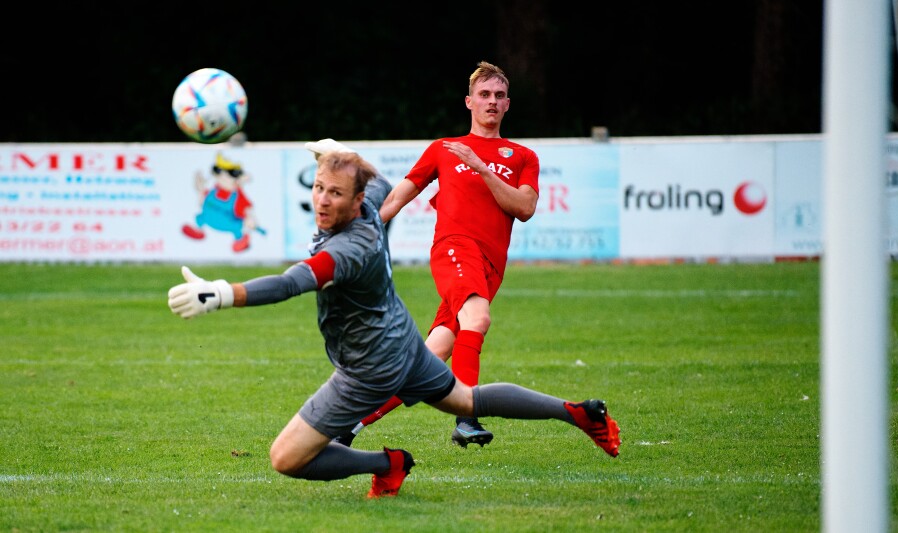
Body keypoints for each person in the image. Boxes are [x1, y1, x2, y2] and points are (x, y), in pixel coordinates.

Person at [167, 146, 620, 499]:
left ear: (356, 200)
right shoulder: (371, 202)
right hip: (402, 342)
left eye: (336, 193)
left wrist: (222, 293)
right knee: (465, 400)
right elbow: (379, 179)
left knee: (285, 458)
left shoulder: (349, 249)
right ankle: (577, 413)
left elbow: (291, 284)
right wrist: (340, 155)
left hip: (369, 368)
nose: (323, 200)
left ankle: (388, 465)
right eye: (319, 188)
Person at [340, 60, 541, 449]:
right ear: (469, 102)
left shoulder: (522, 157)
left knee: (429, 360)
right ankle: (467, 418)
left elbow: (525, 207)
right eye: (484, 95)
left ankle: (346, 427)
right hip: (454, 249)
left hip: (490, 267)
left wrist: (483, 168)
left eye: (499, 96)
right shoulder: (444, 149)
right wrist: (363, 233)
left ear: (508, 104)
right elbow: (400, 194)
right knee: (478, 318)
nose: (492, 102)